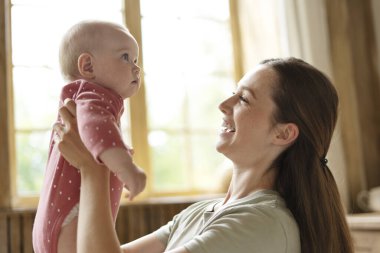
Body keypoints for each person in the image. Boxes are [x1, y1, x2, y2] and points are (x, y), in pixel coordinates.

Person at [54, 57, 354, 253]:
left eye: (244, 99)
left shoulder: (262, 224)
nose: (224, 104)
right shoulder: (200, 213)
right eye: (234, 92)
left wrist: (95, 167)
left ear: (283, 133)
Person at [33, 20, 146, 253]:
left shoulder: (87, 98)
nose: (136, 68)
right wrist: (126, 167)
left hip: (63, 215)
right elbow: (96, 127)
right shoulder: (92, 95)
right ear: (88, 66)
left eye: (135, 60)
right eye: (125, 57)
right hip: (72, 213)